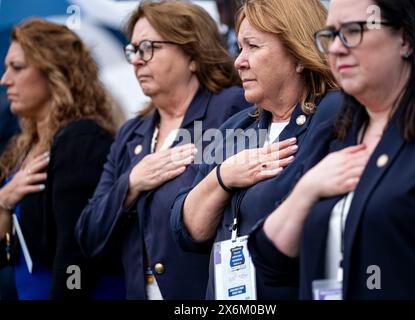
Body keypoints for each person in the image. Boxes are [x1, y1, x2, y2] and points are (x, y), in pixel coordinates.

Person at [248, 0, 415, 299]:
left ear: (405, 39)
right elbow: (270, 261)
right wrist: (307, 190)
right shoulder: (337, 129)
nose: (337, 48)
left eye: (353, 31)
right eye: (329, 36)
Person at [75, 0, 250, 300]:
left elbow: (242, 209)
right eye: (133, 51)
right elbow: (87, 235)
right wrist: (131, 183)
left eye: (148, 48)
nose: (137, 61)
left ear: (192, 55)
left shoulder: (230, 108)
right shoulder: (131, 134)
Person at [171, 0, 342, 300]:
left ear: (299, 53)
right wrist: (224, 177)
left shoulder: (334, 116)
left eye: (253, 46)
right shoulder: (236, 127)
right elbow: (188, 232)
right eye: (240, 47)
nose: (239, 61)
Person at [0, 18, 121, 299]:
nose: (5, 80)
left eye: (17, 68)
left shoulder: (81, 140)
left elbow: (76, 250)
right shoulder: (25, 144)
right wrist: (4, 200)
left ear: (54, 72)